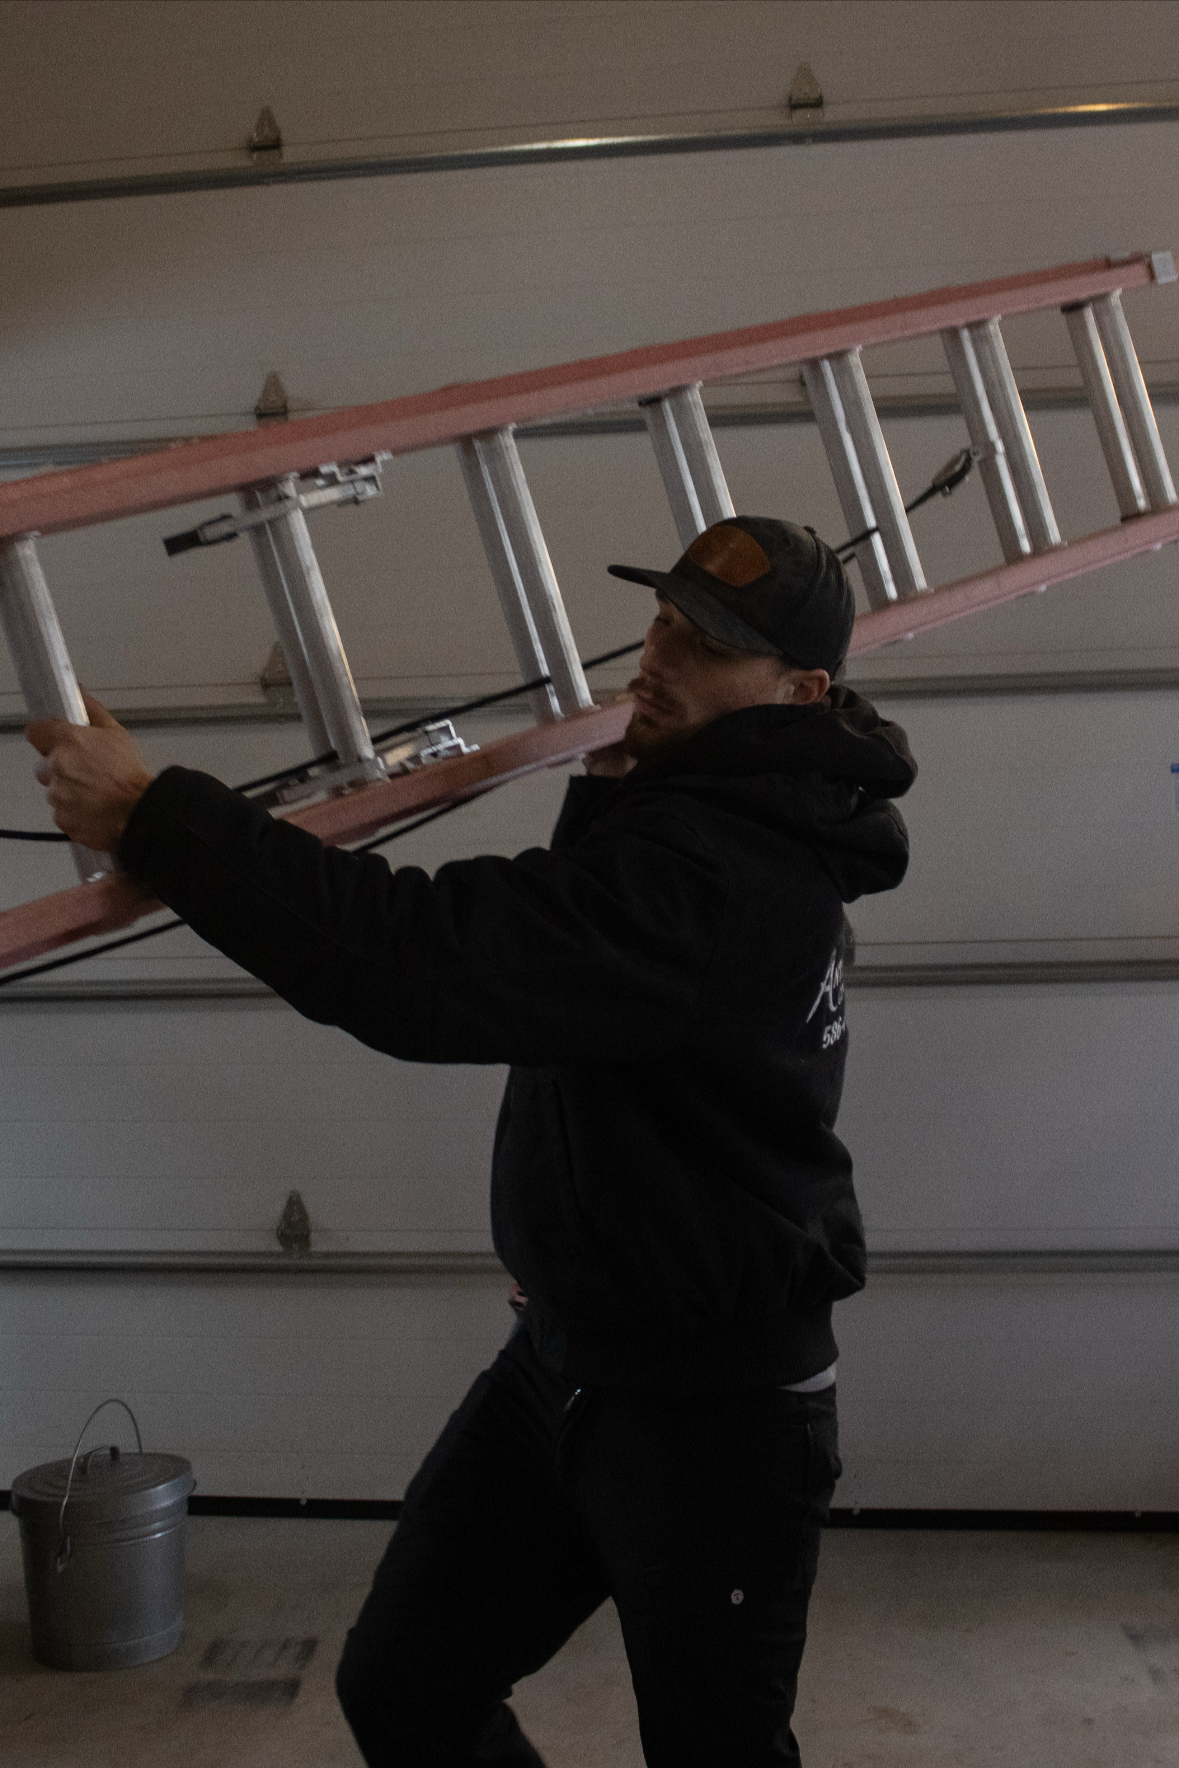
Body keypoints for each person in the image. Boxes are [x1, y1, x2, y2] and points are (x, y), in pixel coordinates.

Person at [28, 514, 917, 1767]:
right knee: (406, 1685)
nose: (656, 656)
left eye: (706, 643)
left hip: (716, 1417)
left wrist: (159, 816)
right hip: (562, 1366)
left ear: (798, 689)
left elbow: (424, 963)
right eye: (661, 618)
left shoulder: (730, 876)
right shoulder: (687, 809)